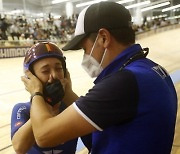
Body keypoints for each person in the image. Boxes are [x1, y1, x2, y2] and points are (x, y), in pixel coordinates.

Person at [21, 2, 177, 154]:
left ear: (103, 38)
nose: (85, 56)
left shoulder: (123, 83)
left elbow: (44, 135)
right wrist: (67, 92)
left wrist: (36, 92)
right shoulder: (151, 69)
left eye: (85, 48)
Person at [11, 42, 79, 154]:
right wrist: (38, 95)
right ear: (31, 78)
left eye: (58, 69)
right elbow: (19, 147)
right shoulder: (23, 109)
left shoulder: (71, 106)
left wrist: (68, 93)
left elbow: (97, 138)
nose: (54, 76)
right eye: (45, 71)